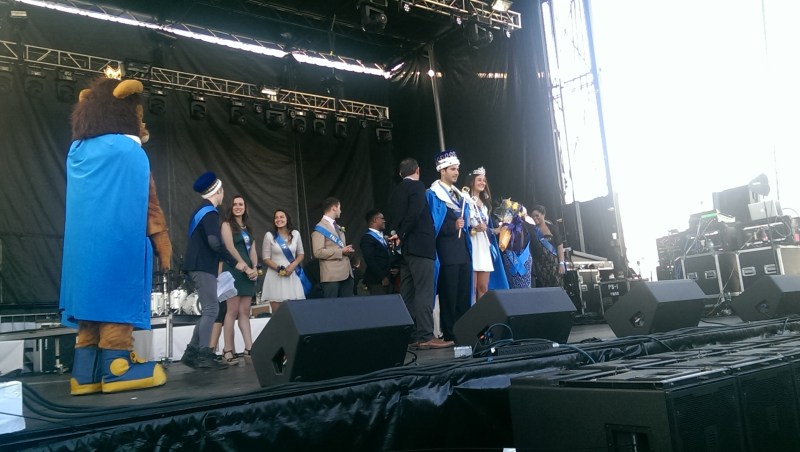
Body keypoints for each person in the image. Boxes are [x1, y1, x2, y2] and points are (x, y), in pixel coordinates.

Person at [182, 172, 257, 369]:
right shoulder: (209, 212)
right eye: (223, 191)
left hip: (198, 265)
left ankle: (192, 352)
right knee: (212, 309)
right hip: (202, 266)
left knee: (209, 308)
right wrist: (235, 262)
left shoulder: (202, 210)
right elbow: (215, 242)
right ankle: (204, 354)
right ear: (219, 191)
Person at [386, 158, 451, 349]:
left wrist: (397, 236)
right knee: (424, 291)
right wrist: (402, 233)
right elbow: (414, 213)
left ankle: (411, 336)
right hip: (420, 246)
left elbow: (394, 217)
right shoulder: (417, 187)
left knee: (407, 292)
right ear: (418, 170)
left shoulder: (396, 191)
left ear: (400, 174)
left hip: (404, 249)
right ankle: (425, 336)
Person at [427, 150, 471, 344]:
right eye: (453, 169)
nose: (456, 172)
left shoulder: (459, 194)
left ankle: (465, 329)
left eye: (458, 169)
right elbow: (430, 222)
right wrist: (451, 226)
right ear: (442, 171)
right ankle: (450, 332)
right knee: (449, 294)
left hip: (462, 250)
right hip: (446, 251)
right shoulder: (433, 193)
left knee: (463, 294)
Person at [219, 195, 258, 363]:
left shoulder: (248, 228)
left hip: (248, 273)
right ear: (231, 207)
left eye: (241, 204)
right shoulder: (227, 225)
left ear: (245, 207)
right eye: (234, 204)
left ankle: (250, 348)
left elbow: (253, 251)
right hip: (234, 270)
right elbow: (230, 248)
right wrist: (245, 266)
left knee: (245, 312)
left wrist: (255, 268)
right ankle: (228, 349)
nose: (237, 206)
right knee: (232, 311)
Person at [464, 167, 508, 301]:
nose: (482, 182)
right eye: (479, 180)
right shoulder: (465, 200)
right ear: (472, 182)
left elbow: (486, 229)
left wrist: (497, 230)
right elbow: (462, 225)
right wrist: (475, 228)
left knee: (483, 287)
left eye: (484, 180)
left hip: (483, 246)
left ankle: (482, 318)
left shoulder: (485, 205)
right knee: (472, 287)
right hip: (471, 245)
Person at [262, 209, 306, 312]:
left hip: (292, 275)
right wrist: (280, 269)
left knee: (296, 312)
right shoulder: (270, 235)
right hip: (275, 276)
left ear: (287, 219)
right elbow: (266, 258)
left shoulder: (295, 234)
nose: (279, 219)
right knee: (277, 315)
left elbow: (301, 254)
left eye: (281, 217)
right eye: (276, 217)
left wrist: (293, 265)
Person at [312, 197, 355, 298]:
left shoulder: (337, 226)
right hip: (331, 276)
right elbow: (318, 252)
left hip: (346, 274)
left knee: (348, 307)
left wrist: (346, 251)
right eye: (339, 207)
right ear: (334, 208)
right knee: (332, 309)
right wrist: (341, 251)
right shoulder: (320, 227)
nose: (341, 210)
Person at [360, 209, 397, 295]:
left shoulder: (383, 237)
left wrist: (395, 268)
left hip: (390, 279)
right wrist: (382, 277)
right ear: (375, 220)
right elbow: (370, 260)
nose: (385, 221)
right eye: (382, 218)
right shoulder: (367, 238)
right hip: (377, 281)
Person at [528, 204, 566, 288]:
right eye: (533, 216)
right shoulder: (532, 231)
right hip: (540, 266)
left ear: (543, 215)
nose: (535, 218)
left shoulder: (553, 228)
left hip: (554, 265)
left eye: (537, 215)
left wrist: (561, 263)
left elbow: (560, 247)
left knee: (557, 288)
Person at [498, 199, 533, 289]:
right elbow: (502, 246)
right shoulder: (505, 227)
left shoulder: (525, 226)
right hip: (510, 259)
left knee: (524, 287)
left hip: (523, 259)